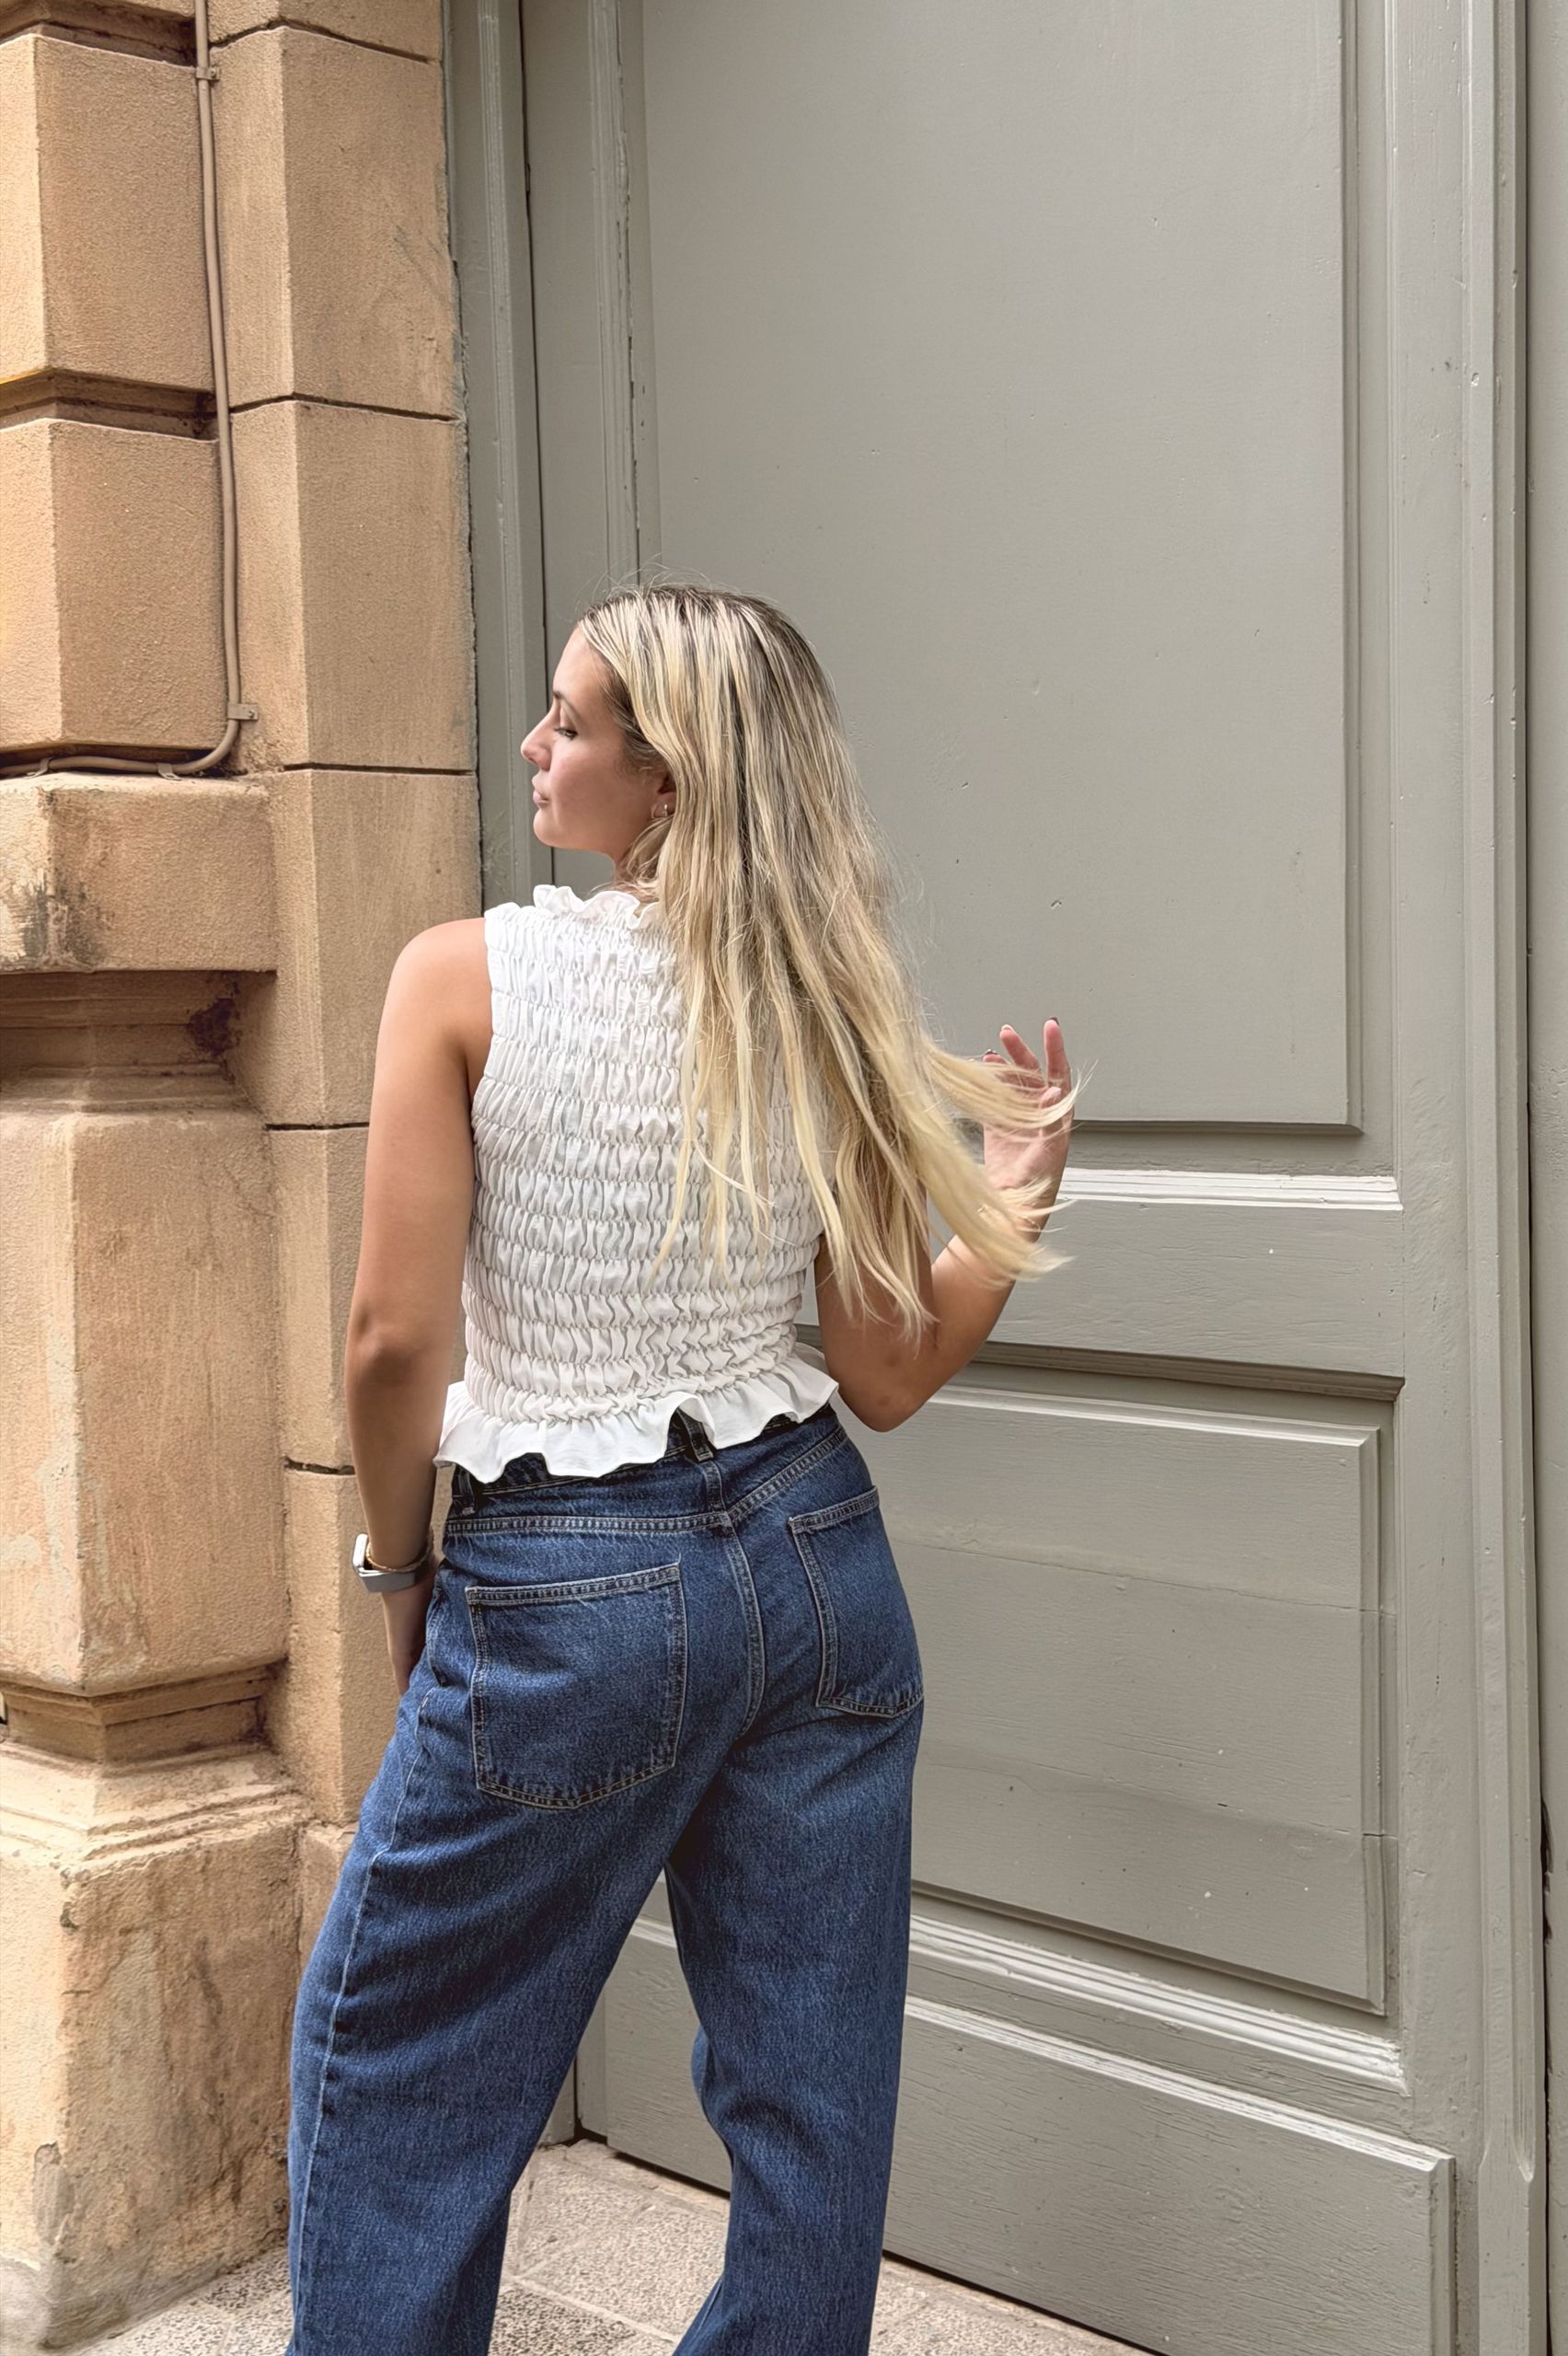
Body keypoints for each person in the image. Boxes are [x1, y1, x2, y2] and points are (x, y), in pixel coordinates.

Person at [282, 580, 1082, 2353]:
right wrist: (1010, 1202)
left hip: (570, 1595)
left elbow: (390, 1346)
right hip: (815, 1571)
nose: (534, 746)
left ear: (670, 779)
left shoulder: (463, 979)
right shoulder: (819, 1003)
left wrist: (398, 1574)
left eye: (568, 722)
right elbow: (882, 1373)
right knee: (811, 2106)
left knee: (395, 2053)